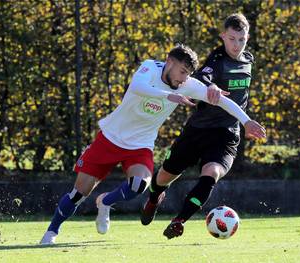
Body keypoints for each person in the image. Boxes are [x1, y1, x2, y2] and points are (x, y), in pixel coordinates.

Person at [40, 44, 264, 245]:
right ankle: (52, 231)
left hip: (140, 145)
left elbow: (223, 101)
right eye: (182, 72)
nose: (184, 79)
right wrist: (168, 96)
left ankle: (105, 202)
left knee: (140, 184)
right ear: (170, 62)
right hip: (110, 137)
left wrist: (246, 121)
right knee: (78, 194)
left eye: (188, 74)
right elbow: (137, 87)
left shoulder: (187, 84)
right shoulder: (149, 68)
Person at [140, 13, 266, 239]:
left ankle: (179, 220)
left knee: (212, 173)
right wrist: (212, 87)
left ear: (247, 38)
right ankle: (153, 198)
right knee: (163, 178)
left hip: (226, 135)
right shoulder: (216, 60)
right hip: (198, 131)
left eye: (241, 39)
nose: (237, 45)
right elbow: (202, 77)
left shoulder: (248, 59)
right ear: (223, 37)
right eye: (231, 39)